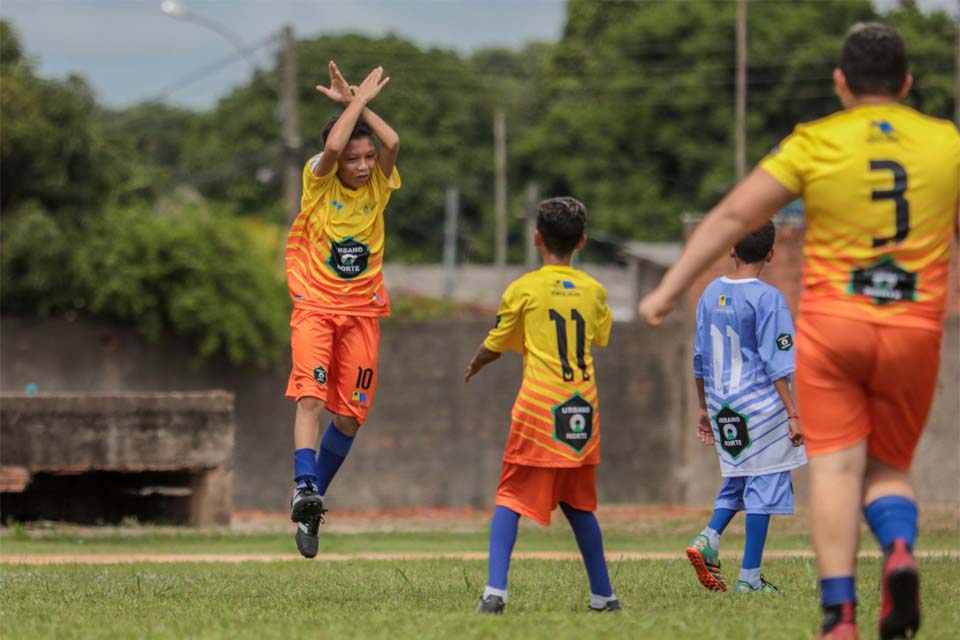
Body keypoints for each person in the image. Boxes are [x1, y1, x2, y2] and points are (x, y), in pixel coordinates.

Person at [638, 22, 959, 640]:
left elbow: (735, 211)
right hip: (913, 328)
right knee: (889, 469)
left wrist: (667, 289)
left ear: (840, 83)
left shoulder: (815, 141)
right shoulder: (944, 141)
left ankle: (839, 616)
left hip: (834, 328)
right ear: (908, 84)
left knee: (835, 472)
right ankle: (897, 547)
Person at [465, 197, 620, 614]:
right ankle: (603, 596)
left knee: (510, 496)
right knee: (579, 503)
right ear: (582, 242)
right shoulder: (595, 291)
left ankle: (495, 592)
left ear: (537, 238)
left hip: (539, 407)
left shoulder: (524, 288)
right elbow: (600, 337)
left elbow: (496, 343)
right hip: (583, 410)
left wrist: (476, 363)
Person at [285, 61, 400, 559]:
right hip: (315, 308)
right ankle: (303, 484)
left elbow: (392, 143)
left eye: (366, 158)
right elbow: (332, 148)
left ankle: (313, 500)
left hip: (363, 314)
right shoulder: (321, 181)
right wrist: (351, 107)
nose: (362, 165)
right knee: (309, 398)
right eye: (355, 158)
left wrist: (361, 103)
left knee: (351, 417)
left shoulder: (378, 185)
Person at [685, 222, 806, 595]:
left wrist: (704, 408)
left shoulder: (709, 293)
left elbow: (700, 356)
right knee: (765, 485)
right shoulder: (768, 299)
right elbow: (778, 363)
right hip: (761, 407)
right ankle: (749, 577)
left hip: (724, 407)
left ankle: (708, 538)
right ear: (771, 254)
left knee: (740, 478)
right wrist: (793, 413)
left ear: (731, 250)